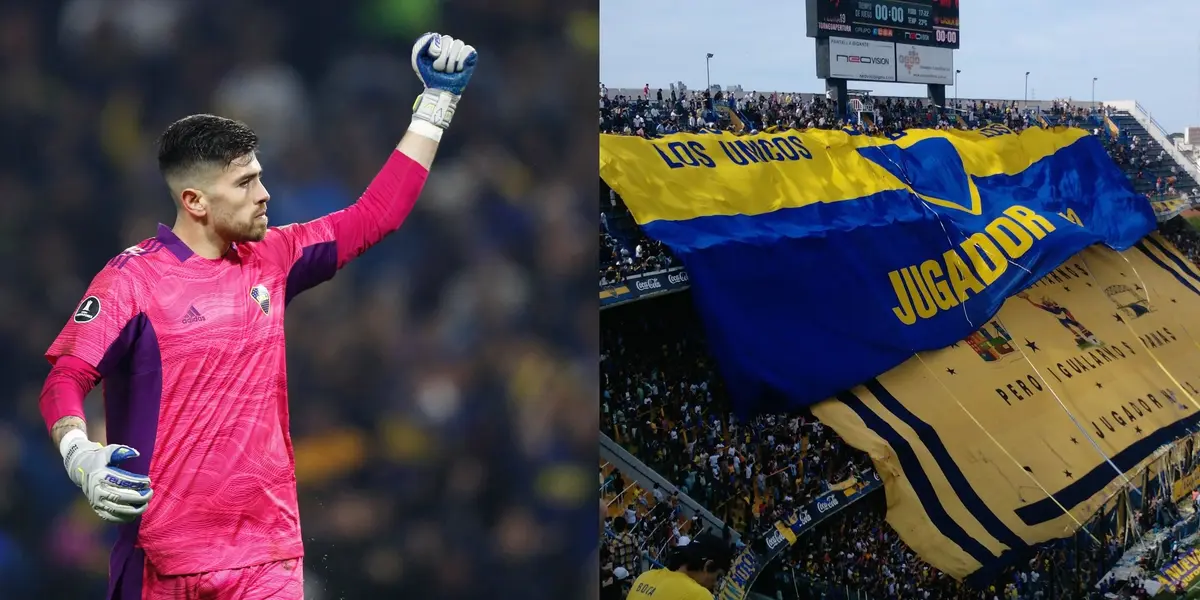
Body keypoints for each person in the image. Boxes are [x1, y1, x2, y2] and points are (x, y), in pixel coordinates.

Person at [37, 32, 477, 599]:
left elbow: (377, 216)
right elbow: (65, 377)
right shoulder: (132, 282)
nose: (265, 193)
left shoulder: (273, 257)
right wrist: (81, 457)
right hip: (162, 560)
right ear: (195, 200)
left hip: (266, 557)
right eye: (246, 183)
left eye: (260, 176)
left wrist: (437, 106)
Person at [625, 533, 733, 600]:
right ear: (708, 566)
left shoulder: (645, 577)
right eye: (718, 577)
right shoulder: (699, 595)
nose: (715, 585)